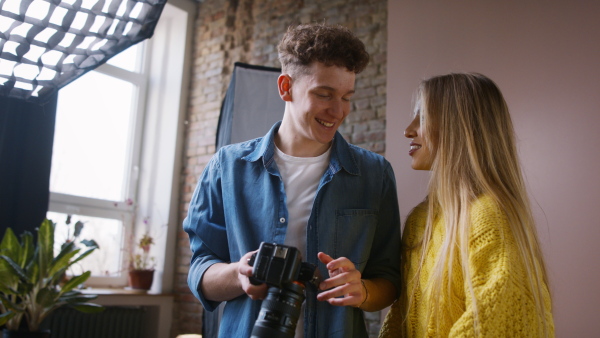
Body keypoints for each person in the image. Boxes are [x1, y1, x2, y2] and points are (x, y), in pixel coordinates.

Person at [183, 23, 401, 338]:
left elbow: (389, 281)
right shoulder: (227, 167)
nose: (338, 111)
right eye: (324, 94)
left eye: (347, 96)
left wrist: (363, 290)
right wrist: (239, 274)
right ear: (286, 87)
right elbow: (200, 270)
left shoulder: (374, 174)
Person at [379, 73, 554, 337]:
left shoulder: (489, 216)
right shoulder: (420, 220)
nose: (408, 130)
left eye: (423, 117)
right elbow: (404, 315)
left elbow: (492, 320)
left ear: (459, 127)